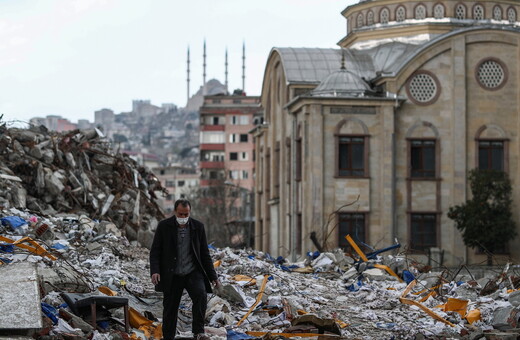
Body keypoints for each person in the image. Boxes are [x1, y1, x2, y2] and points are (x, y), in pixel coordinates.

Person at [149, 198, 220, 340]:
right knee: (170, 307)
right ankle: (168, 336)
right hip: (172, 274)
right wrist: (155, 271)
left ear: (190, 212)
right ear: (175, 212)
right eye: (180, 214)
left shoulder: (197, 227)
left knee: (201, 296)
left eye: (186, 214)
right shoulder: (164, 226)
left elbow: (204, 254)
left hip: (192, 272)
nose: (183, 218)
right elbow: (155, 251)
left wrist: (213, 277)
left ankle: (198, 332)